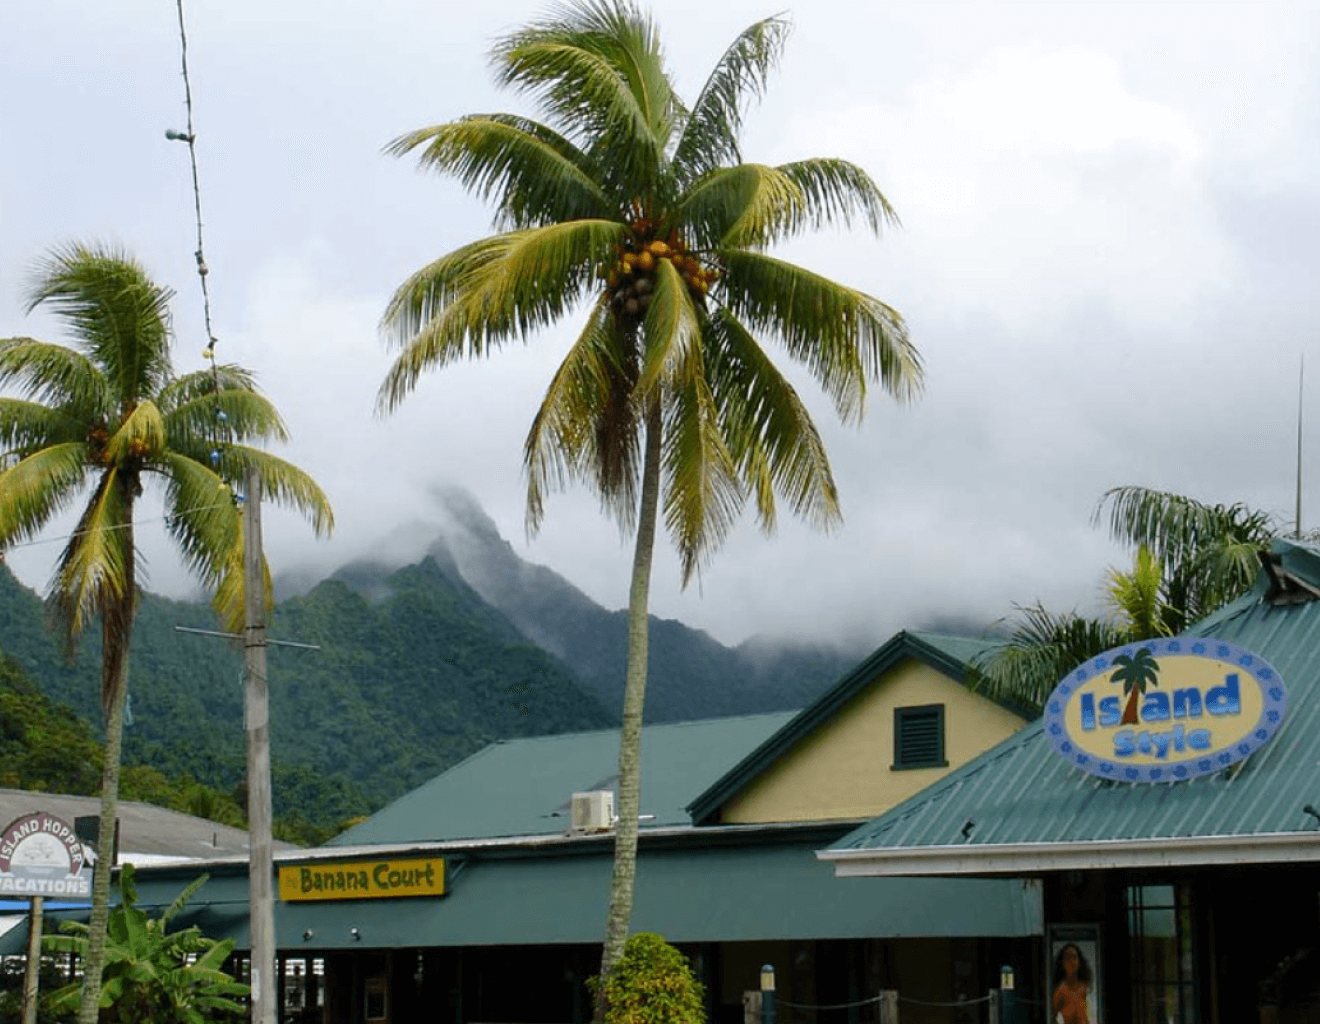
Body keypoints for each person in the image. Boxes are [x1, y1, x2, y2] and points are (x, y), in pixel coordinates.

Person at [1052, 943, 1093, 1024]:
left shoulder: (1084, 988)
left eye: (1074, 957)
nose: (1071, 962)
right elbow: (1053, 1017)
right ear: (1062, 963)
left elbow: (1088, 1016)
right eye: (1068, 958)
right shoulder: (1060, 991)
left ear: (1079, 961)